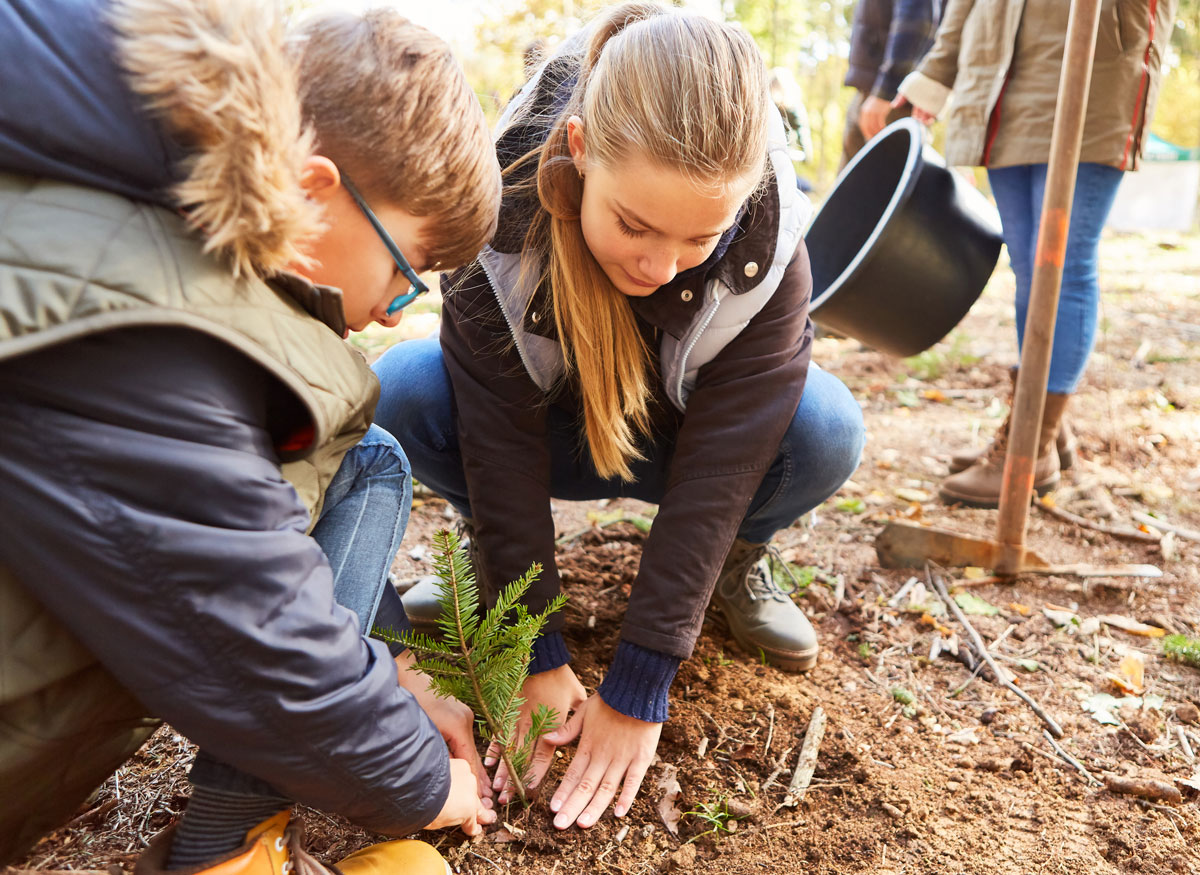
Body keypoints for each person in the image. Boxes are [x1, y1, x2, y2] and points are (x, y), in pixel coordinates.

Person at [0, 1, 502, 872]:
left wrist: (393, 677)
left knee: (362, 459)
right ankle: (224, 856)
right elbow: (253, 637)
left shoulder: (111, 200)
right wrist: (427, 783)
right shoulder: (131, 323)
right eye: (402, 268)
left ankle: (226, 836)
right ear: (314, 189)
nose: (394, 306)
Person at [374, 2, 865, 831]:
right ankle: (489, 568)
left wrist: (641, 679)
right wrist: (533, 648)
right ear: (577, 153)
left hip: (680, 444)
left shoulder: (768, 239)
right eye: (633, 223)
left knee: (822, 428)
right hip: (544, 438)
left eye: (697, 238)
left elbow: (725, 461)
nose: (658, 263)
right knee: (406, 388)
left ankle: (739, 562)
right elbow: (495, 440)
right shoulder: (492, 210)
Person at [896, 0, 1179, 507]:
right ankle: (1044, 427)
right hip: (1000, 70)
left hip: (1094, 60)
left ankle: (1033, 445)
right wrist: (936, 75)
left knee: (1064, 264)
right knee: (1029, 265)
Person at [842, 0, 938, 167]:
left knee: (875, 184)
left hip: (891, 98)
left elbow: (916, 18)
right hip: (878, 91)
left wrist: (886, 90)